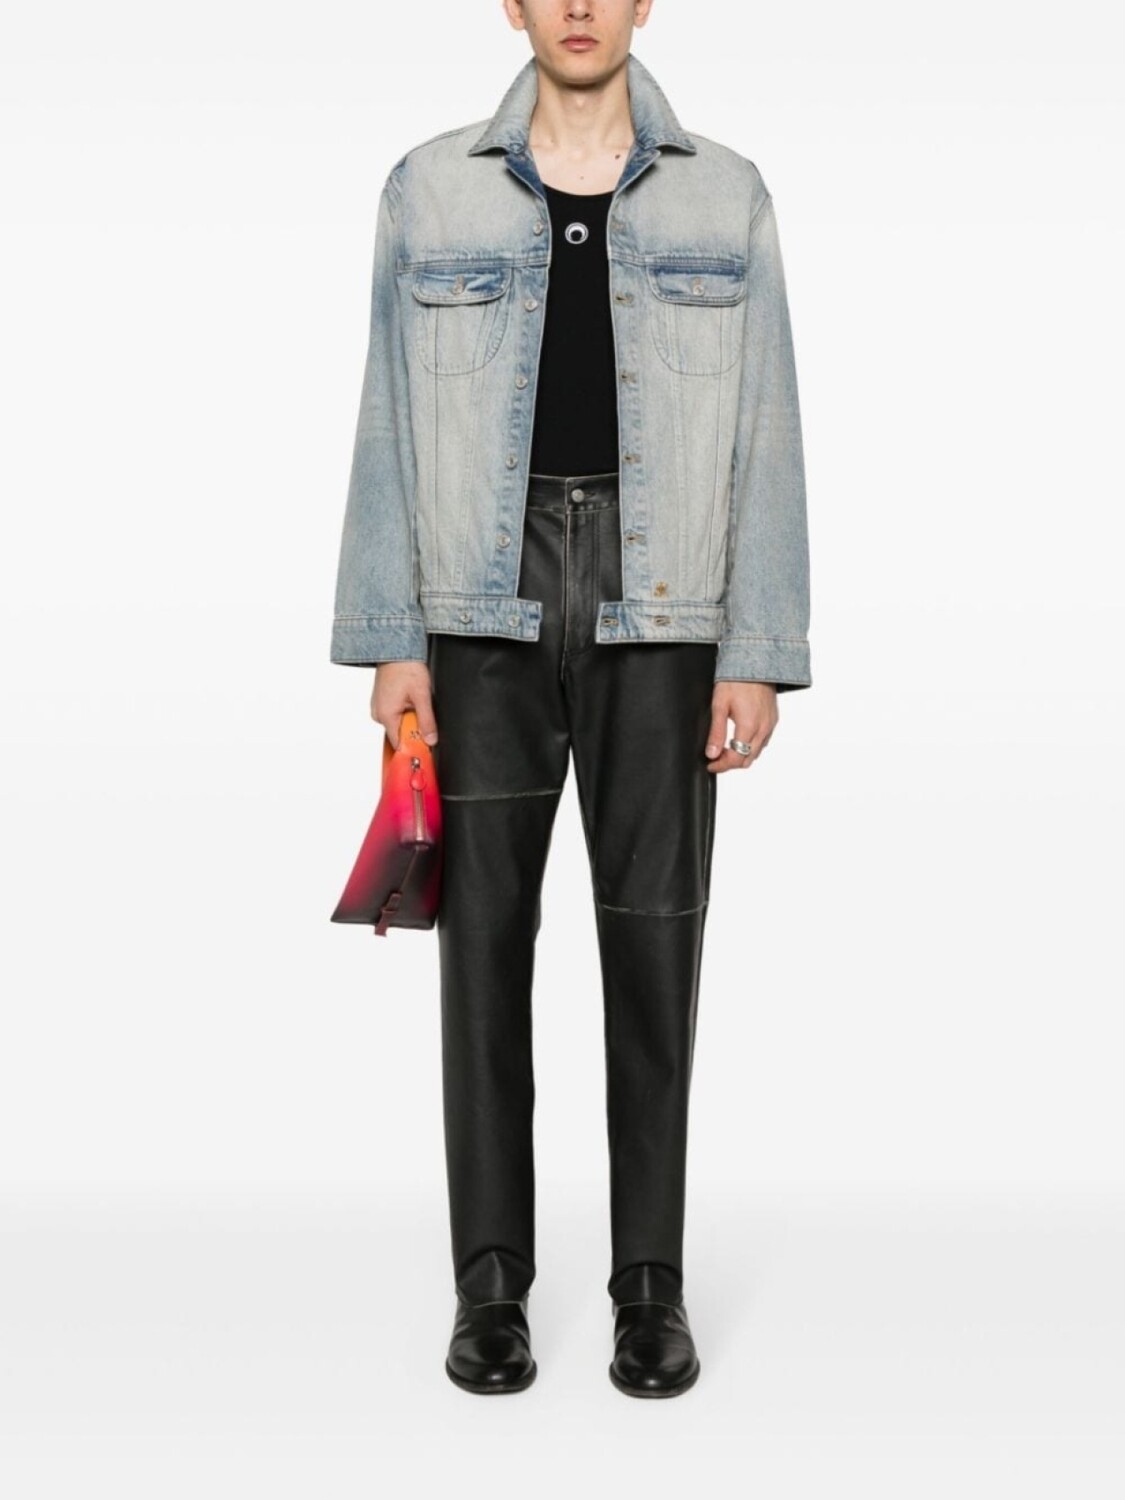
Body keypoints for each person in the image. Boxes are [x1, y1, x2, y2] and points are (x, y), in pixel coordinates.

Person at [329, 0, 810, 1399]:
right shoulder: (427, 188)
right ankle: (491, 1287)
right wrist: (392, 636)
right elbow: (385, 414)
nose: (581, 6)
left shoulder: (728, 193)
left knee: (655, 949)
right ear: (513, 2)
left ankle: (649, 1287)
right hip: (479, 605)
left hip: (666, 607)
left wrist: (755, 645)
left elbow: (768, 417)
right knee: (481, 948)